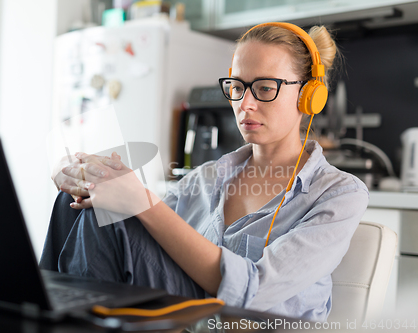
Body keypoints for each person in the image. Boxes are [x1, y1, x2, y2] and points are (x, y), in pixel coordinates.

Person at [40, 22, 369, 322]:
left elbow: (254, 290)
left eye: (265, 88)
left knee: (109, 212)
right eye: (237, 86)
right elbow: (140, 235)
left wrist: (141, 200)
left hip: (249, 326)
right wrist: (78, 174)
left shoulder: (338, 193)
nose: (245, 104)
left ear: (309, 95)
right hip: (188, 321)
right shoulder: (208, 176)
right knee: (87, 203)